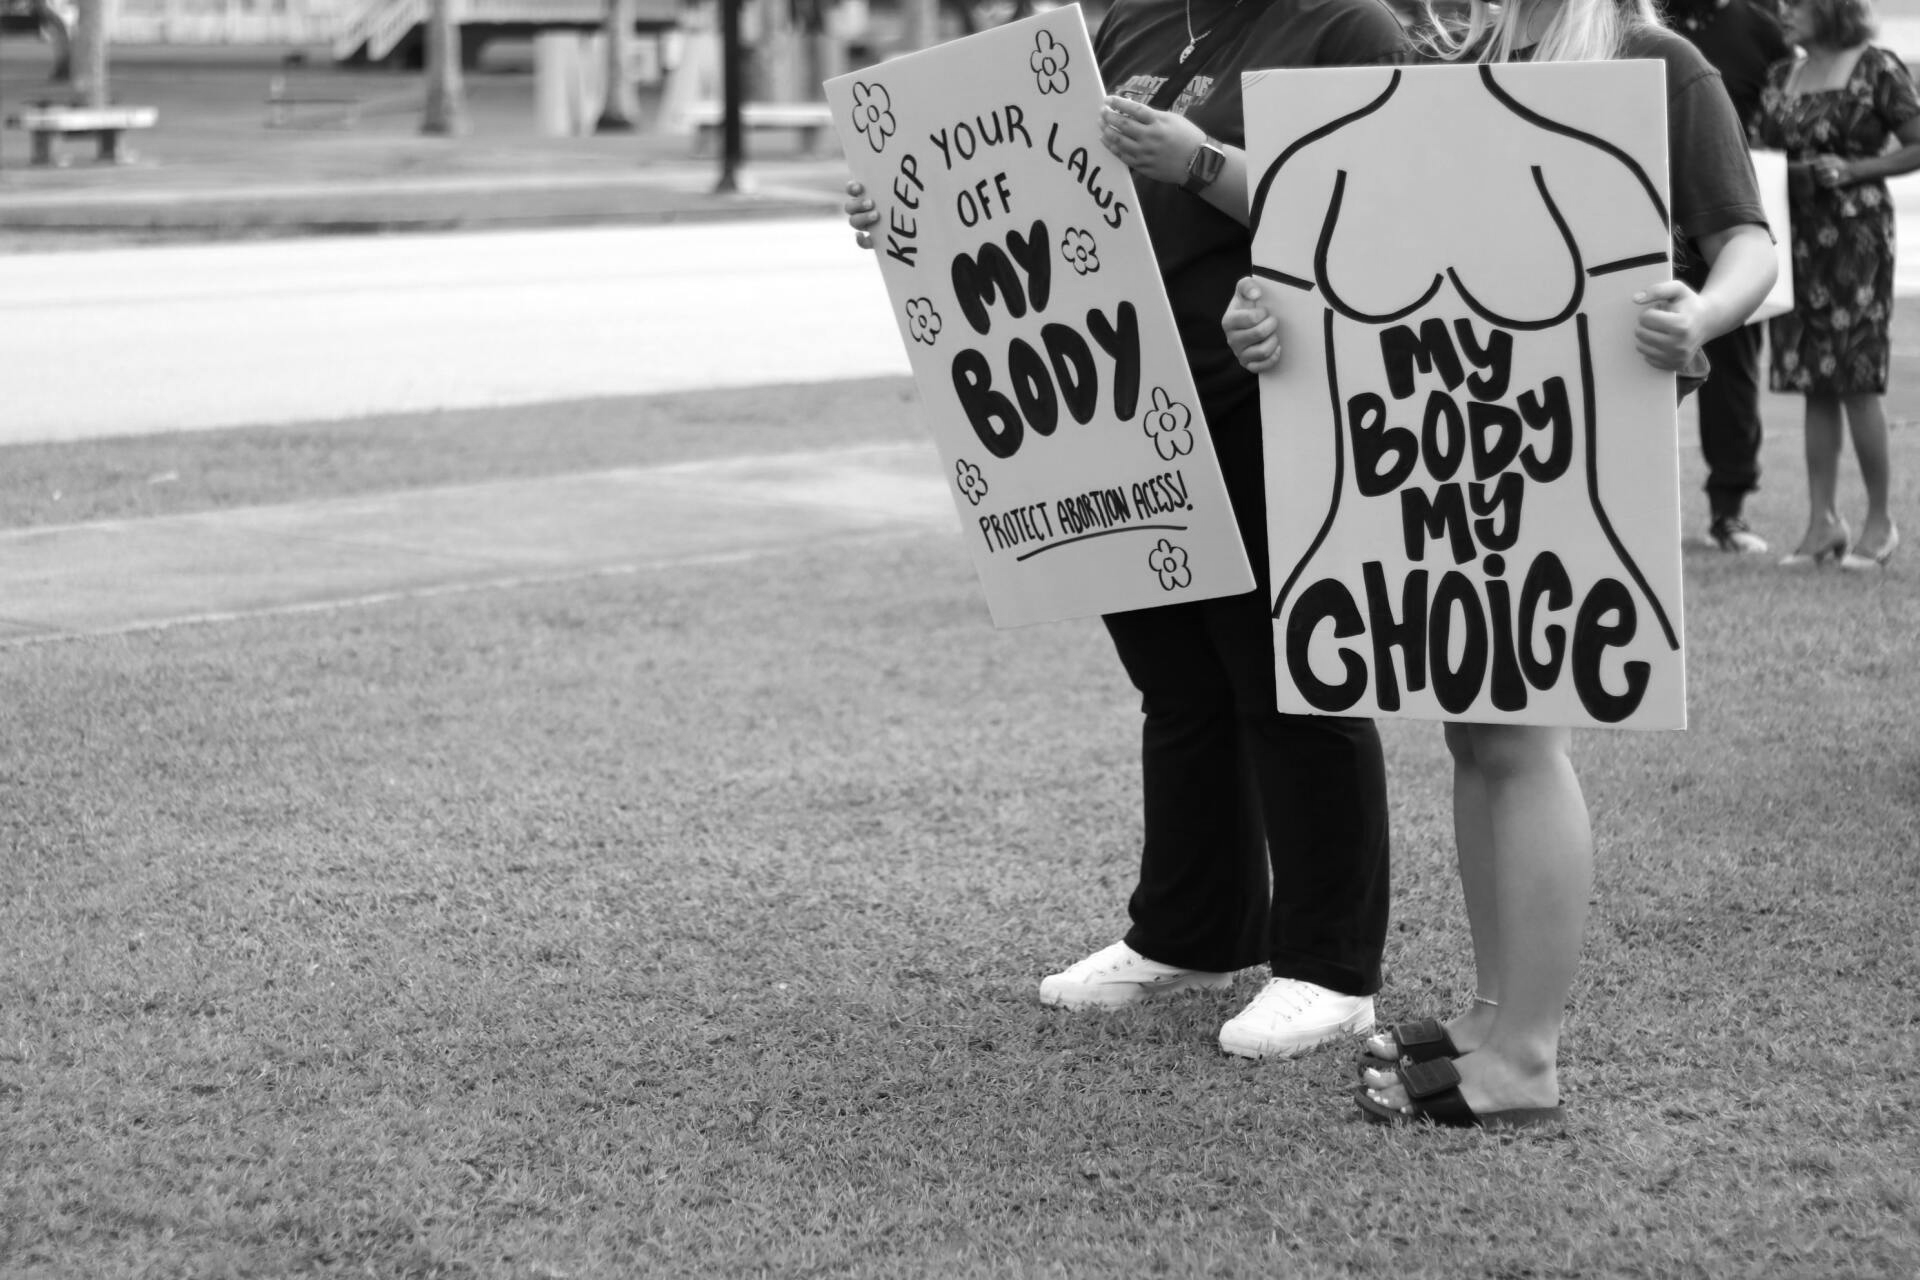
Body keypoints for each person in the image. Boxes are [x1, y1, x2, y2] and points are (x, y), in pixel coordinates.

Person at [1223, 0, 1778, 1125]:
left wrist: (1703, 314)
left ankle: (1525, 1052)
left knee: (1522, 739)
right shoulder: (1455, 62)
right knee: (1476, 736)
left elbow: (1747, 241)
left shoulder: (1654, 62)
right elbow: (1339, 225)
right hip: (1442, 446)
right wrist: (1265, 310)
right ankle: (1493, 1013)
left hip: (1564, 451)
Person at [843, 0, 1406, 1061]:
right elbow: (1033, 178)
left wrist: (1202, 165)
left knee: (1293, 683)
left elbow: (1377, 212)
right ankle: (1192, 934)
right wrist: (906, 213)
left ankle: (1331, 969)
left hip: (1266, 400)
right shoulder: (1134, 22)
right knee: (1180, 686)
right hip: (1120, 407)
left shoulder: (1347, 27)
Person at [1756, 0, 1920, 569]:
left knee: (1856, 376)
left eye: (1795, 4)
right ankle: (1822, 523)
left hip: (1857, 239)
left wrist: (1854, 170)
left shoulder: (1877, 67)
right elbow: (1759, 152)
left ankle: (1880, 523)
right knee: (1813, 379)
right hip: (1795, 235)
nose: (1784, 12)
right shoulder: (1783, 74)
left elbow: (1917, 143)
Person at [1670, 0, 1793, 554]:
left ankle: (1729, 510)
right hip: (1652, 228)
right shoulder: (1652, 20)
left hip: (1728, 207)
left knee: (1734, 372)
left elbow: (1792, 108)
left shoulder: (1758, 28)